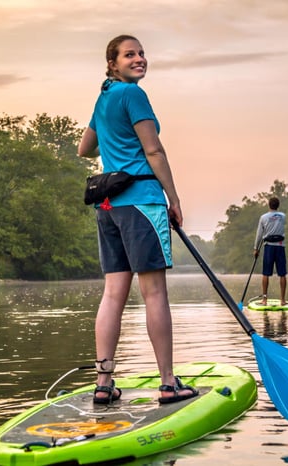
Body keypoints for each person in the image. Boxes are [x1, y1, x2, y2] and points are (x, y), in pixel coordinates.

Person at [77, 34, 198, 405]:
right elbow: (154, 149)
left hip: (109, 208)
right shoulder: (132, 95)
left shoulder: (105, 97)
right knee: (154, 293)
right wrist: (173, 198)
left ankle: (103, 382)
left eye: (142, 53)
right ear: (112, 63)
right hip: (142, 203)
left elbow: (84, 148)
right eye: (130, 55)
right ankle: (167, 383)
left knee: (113, 293)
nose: (139, 59)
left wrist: (111, 133)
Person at [253, 197, 288, 305]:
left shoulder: (263, 217)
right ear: (278, 205)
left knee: (265, 273)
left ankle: (264, 300)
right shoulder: (283, 216)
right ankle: (282, 300)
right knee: (282, 274)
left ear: (269, 205)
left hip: (269, 247)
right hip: (280, 247)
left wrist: (256, 249)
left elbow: (259, 234)